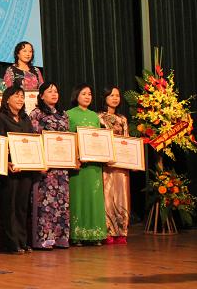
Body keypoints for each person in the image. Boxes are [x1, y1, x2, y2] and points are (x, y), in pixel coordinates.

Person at [0, 85, 34, 254]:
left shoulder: (26, 119)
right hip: (10, 169)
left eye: (22, 96)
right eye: (16, 96)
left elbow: (32, 141)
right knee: (9, 206)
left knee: (22, 207)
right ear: (7, 99)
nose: (20, 99)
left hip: (26, 168)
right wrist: (6, 161)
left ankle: (23, 241)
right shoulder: (0, 118)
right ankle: (11, 243)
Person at [29, 81, 71, 249]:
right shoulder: (36, 113)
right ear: (41, 95)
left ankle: (60, 238)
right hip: (46, 166)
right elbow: (34, 138)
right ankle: (45, 239)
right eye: (50, 91)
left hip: (62, 165)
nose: (54, 94)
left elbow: (68, 138)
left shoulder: (63, 114)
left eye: (56, 91)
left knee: (61, 202)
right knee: (45, 202)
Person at [67, 84, 107, 245]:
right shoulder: (69, 114)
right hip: (79, 165)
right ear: (76, 95)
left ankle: (96, 235)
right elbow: (68, 140)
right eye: (83, 93)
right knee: (79, 198)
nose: (87, 97)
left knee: (94, 198)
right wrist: (75, 157)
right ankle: (77, 235)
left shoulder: (95, 116)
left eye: (89, 94)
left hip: (94, 165)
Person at [98, 86, 130, 244]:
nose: (115, 98)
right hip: (106, 163)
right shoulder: (99, 117)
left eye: (117, 95)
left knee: (121, 195)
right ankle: (108, 231)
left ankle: (121, 230)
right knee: (107, 196)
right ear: (105, 98)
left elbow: (127, 140)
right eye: (111, 95)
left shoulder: (123, 119)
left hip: (121, 163)